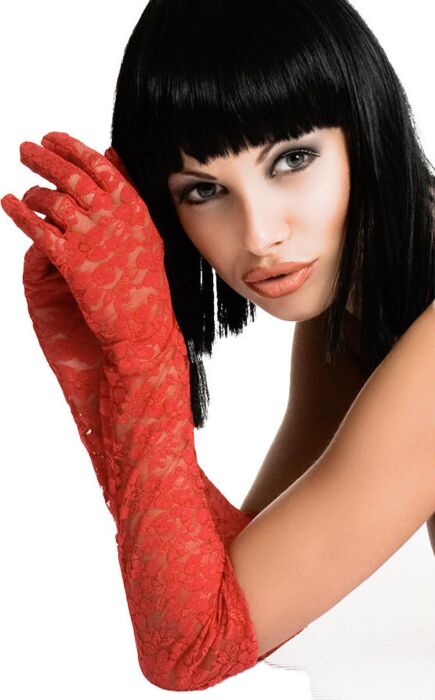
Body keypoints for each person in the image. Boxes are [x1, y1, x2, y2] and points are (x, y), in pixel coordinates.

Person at [2, 0, 435, 692]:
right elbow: (236, 588)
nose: (260, 234)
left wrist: (139, 359)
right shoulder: (356, 319)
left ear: (367, 124)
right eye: (204, 190)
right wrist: (100, 368)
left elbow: (196, 643)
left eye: (292, 159)